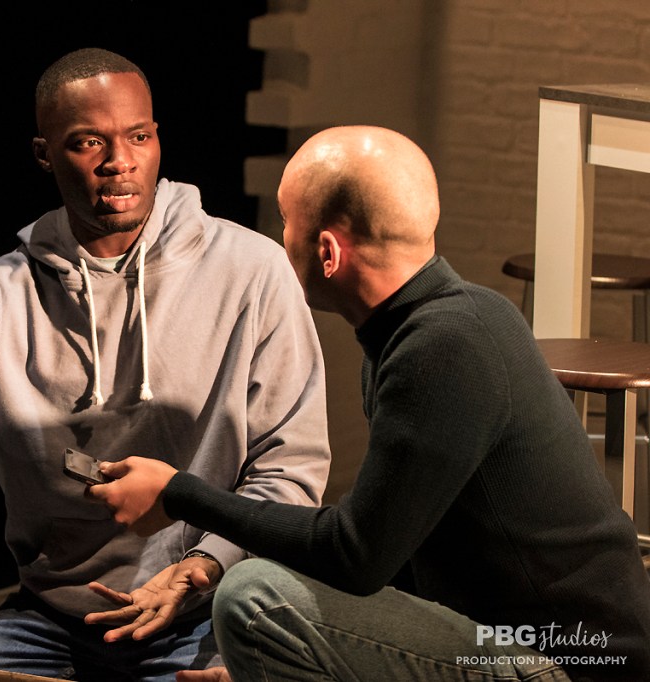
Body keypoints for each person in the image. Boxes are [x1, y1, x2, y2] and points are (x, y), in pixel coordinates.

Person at [0, 47, 331, 682]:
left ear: (157, 138)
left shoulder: (251, 271)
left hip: (204, 610)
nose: (119, 161)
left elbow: (290, 467)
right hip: (53, 619)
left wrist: (204, 565)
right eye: (89, 142)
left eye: (137, 136)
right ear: (44, 153)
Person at [89, 125, 650, 681]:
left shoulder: (445, 347)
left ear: (327, 252)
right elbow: (392, 545)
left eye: (286, 221)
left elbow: (356, 555)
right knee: (275, 590)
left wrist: (178, 494)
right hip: (506, 640)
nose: (280, 238)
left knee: (255, 596)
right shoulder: (434, 328)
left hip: (575, 664)